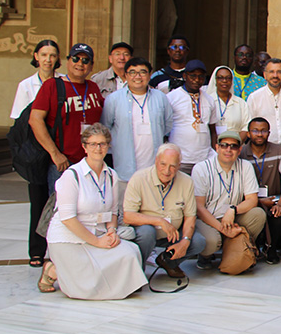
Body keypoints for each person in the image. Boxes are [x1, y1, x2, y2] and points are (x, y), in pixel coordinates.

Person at [37, 124, 148, 299]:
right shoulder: (71, 175)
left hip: (98, 232)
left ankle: (74, 271)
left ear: (108, 146)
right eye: (93, 144)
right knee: (88, 284)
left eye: (103, 144)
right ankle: (53, 270)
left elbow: (113, 211)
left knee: (130, 252)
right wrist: (97, 242)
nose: (98, 148)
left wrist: (111, 231)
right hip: (69, 237)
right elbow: (68, 219)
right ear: (84, 146)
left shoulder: (111, 175)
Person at [101, 57, 174, 224]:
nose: (137, 76)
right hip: (124, 168)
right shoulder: (114, 99)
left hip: (153, 168)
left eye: (142, 72)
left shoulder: (160, 98)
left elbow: (167, 124)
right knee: (125, 212)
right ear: (125, 75)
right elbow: (106, 127)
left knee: (152, 211)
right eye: (132, 72)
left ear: (149, 75)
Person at [30, 43, 105, 197]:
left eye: (85, 61)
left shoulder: (93, 87)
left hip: (89, 161)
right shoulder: (52, 85)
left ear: (91, 66)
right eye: (76, 58)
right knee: (61, 211)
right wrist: (54, 153)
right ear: (68, 61)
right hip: (63, 162)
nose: (80, 64)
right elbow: (35, 120)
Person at [123, 143, 206, 278]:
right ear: (156, 161)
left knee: (198, 241)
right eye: (163, 164)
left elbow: (190, 216)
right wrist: (159, 221)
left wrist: (185, 240)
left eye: (172, 166)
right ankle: (137, 274)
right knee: (146, 233)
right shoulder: (139, 178)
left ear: (179, 166)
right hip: (147, 232)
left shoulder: (186, 181)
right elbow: (128, 216)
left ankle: (168, 262)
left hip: (173, 233)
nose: (167, 171)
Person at [12, 39, 60, 267]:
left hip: (57, 148)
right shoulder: (26, 85)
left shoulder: (63, 83)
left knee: (59, 201)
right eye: (44, 55)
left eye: (52, 55)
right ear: (36, 57)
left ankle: (59, 248)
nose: (48, 60)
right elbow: (19, 123)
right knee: (38, 200)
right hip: (35, 152)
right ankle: (37, 250)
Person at [192, 130, 267, 269]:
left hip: (232, 217)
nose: (228, 150)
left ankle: (237, 251)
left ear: (239, 150)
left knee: (258, 214)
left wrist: (233, 210)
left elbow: (252, 199)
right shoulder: (201, 169)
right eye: (224, 145)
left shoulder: (245, 166)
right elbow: (199, 208)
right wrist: (221, 228)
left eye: (233, 146)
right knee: (211, 241)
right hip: (208, 219)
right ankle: (205, 257)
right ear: (217, 148)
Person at [240, 117, 281, 263]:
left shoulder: (278, 149)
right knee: (254, 215)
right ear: (249, 133)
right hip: (249, 200)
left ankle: (271, 248)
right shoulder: (242, 153)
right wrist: (258, 201)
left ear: (269, 133)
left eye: (263, 131)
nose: (259, 134)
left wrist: (280, 204)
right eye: (255, 131)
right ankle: (255, 245)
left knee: (278, 215)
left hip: (273, 198)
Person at [166, 60, 218, 174]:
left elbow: (213, 129)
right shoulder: (171, 98)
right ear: (185, 76)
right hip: (180, 158)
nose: (197, 79)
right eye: (193, 76)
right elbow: (165, 130)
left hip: (204, 159)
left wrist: (214, 152)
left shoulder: (209, 99)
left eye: (201, 76)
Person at [207, 66, 251, 140]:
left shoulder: (240, 103)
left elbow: (246, 126)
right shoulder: (208, 101)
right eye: (221, 78)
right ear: (215, 80)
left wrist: (235, 144)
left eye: (228, 78)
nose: (224, 81)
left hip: (236, 146)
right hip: (214, 145)